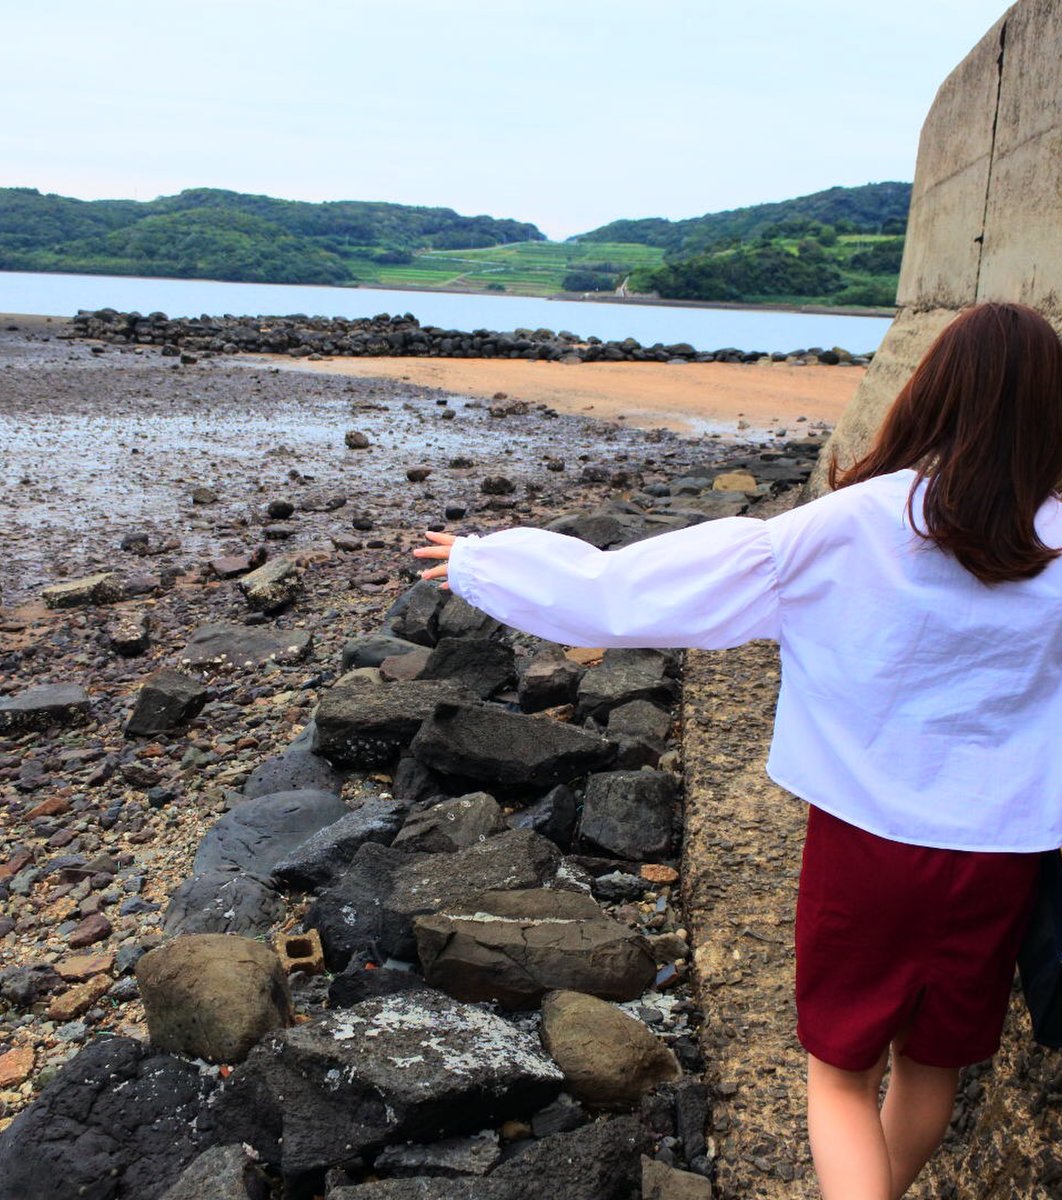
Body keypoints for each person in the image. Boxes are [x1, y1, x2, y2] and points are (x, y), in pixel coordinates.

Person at [412, 301, 1062, 1200]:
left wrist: (487, 565)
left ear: (929, 392)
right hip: (1003, 851)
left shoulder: (851, 523)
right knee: (931, 1064)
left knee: (839, 1072)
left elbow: (629, 591)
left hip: (869, 840)